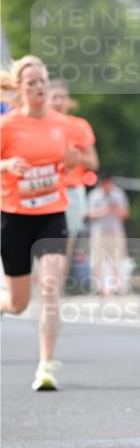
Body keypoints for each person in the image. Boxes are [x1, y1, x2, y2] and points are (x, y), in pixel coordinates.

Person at [0, 56, 84, 390]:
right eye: (31, 82)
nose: (38, 88)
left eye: (42, 82)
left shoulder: (62, 124)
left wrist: (72, 161)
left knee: (50, 286)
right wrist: (7, 166)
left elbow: (74, 162)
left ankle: (45, 366)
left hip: (51, 213)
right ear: (20, 89)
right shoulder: (7, 126)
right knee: (18, 304)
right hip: (14, 216)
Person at [47, 80, 99, 272]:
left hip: (71, 192)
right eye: (54, 97)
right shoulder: (38, 125)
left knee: (65, 244)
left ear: (69, 101)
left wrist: (77, 157)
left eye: (63, 97)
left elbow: (93, 163)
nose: (59, 102)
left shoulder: (79, 126)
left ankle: (55, 293)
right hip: (45, 189)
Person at [87, 174, 130, 295]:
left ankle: (117, 287)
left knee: (117, 259)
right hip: (99, 232)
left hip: (115, 231)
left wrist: (115, 210)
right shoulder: (94, 195)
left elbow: (125, 214)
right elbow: (89, 215)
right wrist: (104, 211)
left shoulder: (118, 194)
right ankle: (98, 287)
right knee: (97, 260)